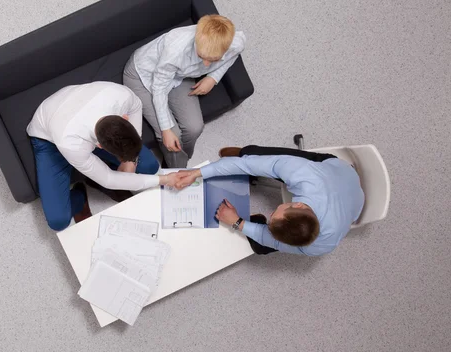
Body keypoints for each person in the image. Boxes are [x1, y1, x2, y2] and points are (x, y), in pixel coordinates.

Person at [27, 81, 182, 232]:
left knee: (149, 166)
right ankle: (80, 197)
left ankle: (111, 174)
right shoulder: (71, 143)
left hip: (77, 112)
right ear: (99, 146)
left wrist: (131, 161)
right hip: (49, 139)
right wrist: (165, 179)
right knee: (58, 221)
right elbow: (108, 179)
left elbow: (136, 107)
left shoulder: (120, 95)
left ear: (124, 118)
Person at [175, 145, 365, 256]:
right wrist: (197, 173)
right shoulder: (302, 173)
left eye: (272, 215)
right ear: (297, 204)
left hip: (350, 194)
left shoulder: (320, 246)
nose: (271, 212)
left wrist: (237, 223)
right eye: (275, 214)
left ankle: (252, 221)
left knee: (260, 246)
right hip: (336, 169)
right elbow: (247, 164)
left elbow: (272, 241)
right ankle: (244, 150)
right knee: (253, 154)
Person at [123, 14, 246, 168]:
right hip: (143, 76)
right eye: (201, 56)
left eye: (213, 60)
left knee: (195, 128)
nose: (206, 65)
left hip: (179, 76)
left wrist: (213, 78)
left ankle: (177, 161)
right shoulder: (175, 49)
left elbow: (234, 54)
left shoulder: (235, 42)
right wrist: (166, 130)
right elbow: (159, 88)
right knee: (171, 134)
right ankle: (177, 170)